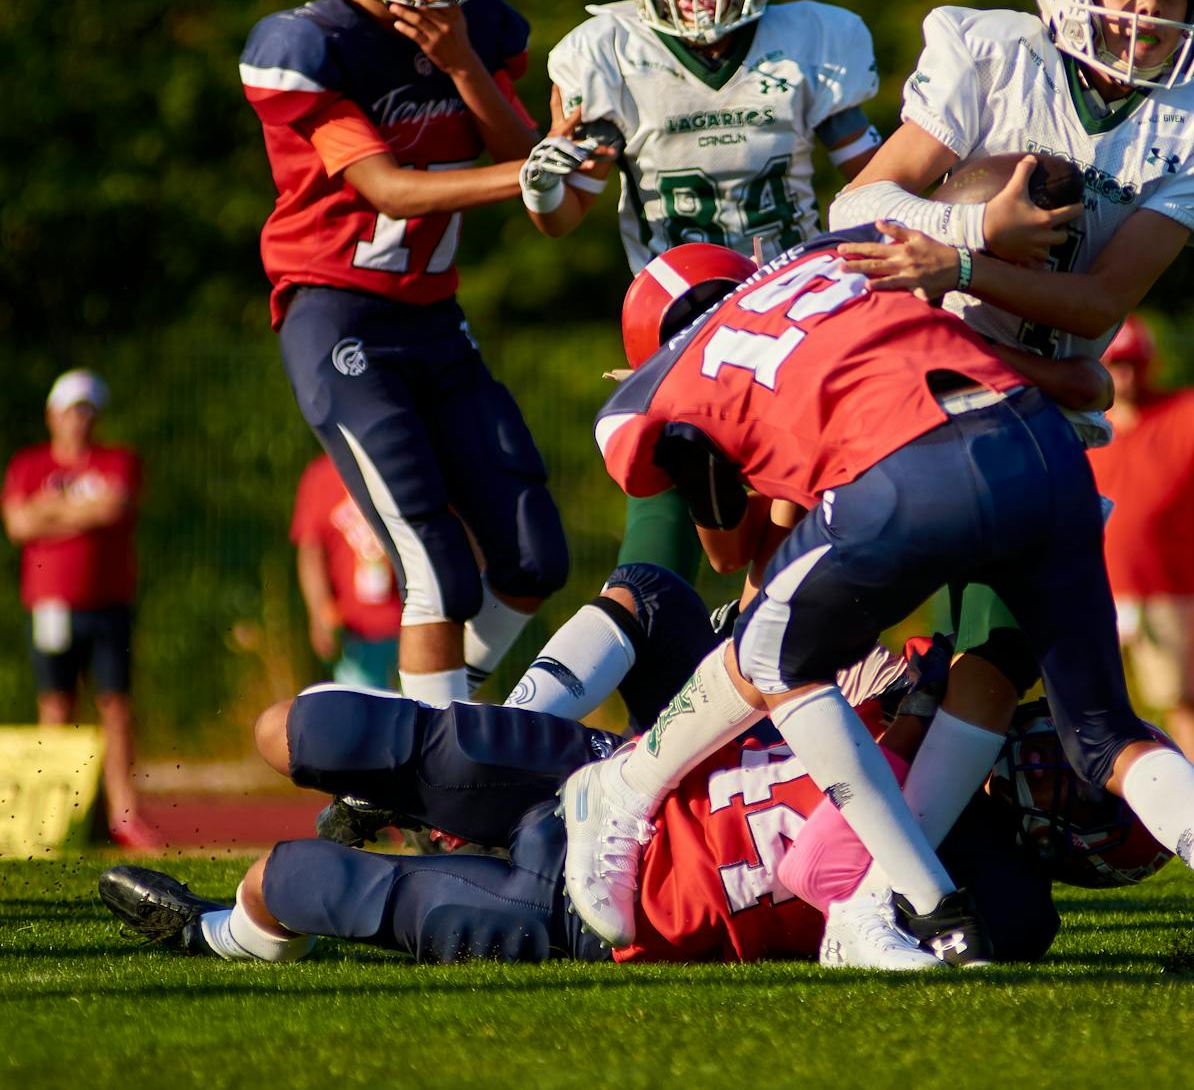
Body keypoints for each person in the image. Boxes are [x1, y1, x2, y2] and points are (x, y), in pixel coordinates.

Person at [564, 235, 1194, 974]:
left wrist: (667, 403)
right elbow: (1083, 380)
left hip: (911, 473)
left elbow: (725, 548)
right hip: (1043, 455)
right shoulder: (833, 254)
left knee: (771, 656)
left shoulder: (660, 379)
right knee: (1102, 734)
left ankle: (644, 798)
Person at [825, 0, 1194, 792]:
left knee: (996, 657)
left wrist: (954, 264)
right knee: (808, 615)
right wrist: (977, 232)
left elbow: (1102, 300)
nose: (1150, 7)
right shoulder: (990, 52)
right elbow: (855, 205)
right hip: (909, 399)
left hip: (1033, 414)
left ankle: (901, 876)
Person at [94, 586, 1056, 970]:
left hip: (592, 911)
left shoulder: (980, 888)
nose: (1041, 773)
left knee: (288, 883)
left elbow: (820, 874)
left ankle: (210, 937)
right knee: (298, 725)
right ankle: (400, 785)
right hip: (594, 778)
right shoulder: (927, 684)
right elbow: (979, 656)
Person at [502, 0, 885, 718]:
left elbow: (875, 181)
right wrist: (543, 186)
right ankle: (521, 731)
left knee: (801, 559)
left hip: (798, 328)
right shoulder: (612, 56)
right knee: (649, 567)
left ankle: (753, 740)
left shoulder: (808, 44)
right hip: (677, 341)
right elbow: (566, 216)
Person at [239, 0, 567, 705]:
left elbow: (517, 142)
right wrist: (527, 174)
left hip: (433, 317)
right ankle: (432, 787)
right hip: (341, 315)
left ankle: (418, 748)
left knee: (533, 557)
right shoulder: (312, 45)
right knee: (436, 565)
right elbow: (387, 188)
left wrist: (461, 62)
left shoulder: (483, 24)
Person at [1085, 317, 1194, 775]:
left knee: (1185, 704)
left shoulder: (1182, 410)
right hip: (1098, 591)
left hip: (1170, 591)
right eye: (1117, 364)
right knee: (1086, 708)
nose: (1125, 375)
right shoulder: (1088, 424)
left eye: (1133, 364)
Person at [2, 369, 160, 850]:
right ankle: (64, 811)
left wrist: (52, 512)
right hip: (50, 605)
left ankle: (123, 812)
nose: (79, 421)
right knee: (56, 705)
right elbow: (19, 523)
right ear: (53, 416)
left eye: (87, 411)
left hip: (107, 603)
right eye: (71, 411)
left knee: (115, 704)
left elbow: (113, 508)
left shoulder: (117, 461)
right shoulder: (29, 465)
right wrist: (76, 514)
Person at [290, 452, 401, 689]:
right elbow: (311, 553)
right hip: (356, 631)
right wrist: (320, 613)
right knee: (363, 717)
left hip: (417, 623)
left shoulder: (401, 459)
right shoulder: (321, 475)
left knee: (427, 715)